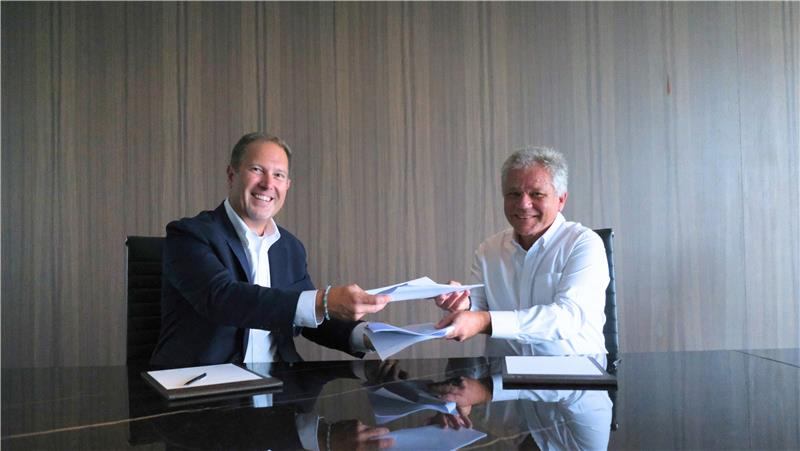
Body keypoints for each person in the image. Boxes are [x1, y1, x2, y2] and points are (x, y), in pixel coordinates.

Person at [150, 132, 391, 367]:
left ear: (287, 185)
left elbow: (305, 316)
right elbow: (222, 298)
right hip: (206, 383)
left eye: (278, 175)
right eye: (257, 170)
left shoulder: (290, 247)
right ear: (232, 175)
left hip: (280, 382)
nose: (267, 184)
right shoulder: (188, 235)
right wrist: (322, 301)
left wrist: (368, 336)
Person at [434, 147, 609, 358]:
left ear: (561, 200)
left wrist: (485, 321)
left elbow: (567, 318)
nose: (524, 204)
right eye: (514, 194)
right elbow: (479, 304)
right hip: (502, 375)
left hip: (574, 374)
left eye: (537, 194)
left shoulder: (584, 243)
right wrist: (462, 302)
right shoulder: (489, 249)